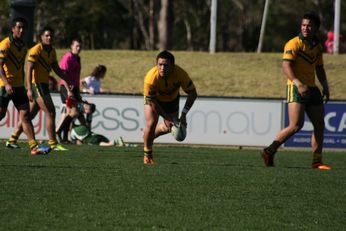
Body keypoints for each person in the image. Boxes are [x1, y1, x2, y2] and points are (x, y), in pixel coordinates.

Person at [261, 11, 331, 170]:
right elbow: (286, 66)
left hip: (312, 89)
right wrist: (298, 83)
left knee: (319, 124)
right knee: (296, 126)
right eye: (303, 25)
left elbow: (319, 68)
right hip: (296, 87)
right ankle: (269, 151)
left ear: (315, 28)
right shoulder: (293, 43)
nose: (305, 28)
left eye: (309, 26)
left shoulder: (317, 46)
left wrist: (325, 85)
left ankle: (317, 161)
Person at [6, 26, 72, 151]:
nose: (49, 38)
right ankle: (53, 143)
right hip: (37, 85)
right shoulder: (36, 50)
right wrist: (29, 89)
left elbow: (56, 69)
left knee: (29, 115)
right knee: (51, 112)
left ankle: (12, 139)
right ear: (41, 37)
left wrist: (68, 80)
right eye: (47, 35)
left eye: (51, 36)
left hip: (44, 85)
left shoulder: (51, 51)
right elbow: (29, 69)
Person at [0, 17, 49, 155]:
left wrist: (27, 87)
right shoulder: (5, 44)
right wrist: (7, 83)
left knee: (25, 116)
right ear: (13, 29)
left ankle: (34, 147)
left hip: (19, 87)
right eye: (19, 27)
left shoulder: (23, 45)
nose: (21, 30)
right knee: (1, 114)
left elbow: (23, 67)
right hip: (4, 86)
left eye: (23, 28)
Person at [143, 50, 197, 164]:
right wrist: (166, 117)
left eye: (166, 65)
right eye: (160, 65)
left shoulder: (180, 74)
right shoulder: (150, 78)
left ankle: (148, 137)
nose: (162, 68)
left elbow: (193, 93)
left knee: (170, 128)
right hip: (154, 100)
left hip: (171, 100)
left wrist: (183, 114)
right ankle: (147, 153)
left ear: (172, 66)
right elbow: (152, 101)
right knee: (151, 122)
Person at [56, 39, 90, 143]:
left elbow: (76, 76)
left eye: (80, 46)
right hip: (66, 87)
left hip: (74, 89)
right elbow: (63, 75)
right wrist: (68, 90)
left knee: (71, 113)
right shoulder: (68, 57)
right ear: (71, 46)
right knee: (73, 112)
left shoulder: (77, 58)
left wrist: (77, 92)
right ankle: (58, 131)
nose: (78, 48)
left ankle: (65, 138)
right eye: (76, 46)